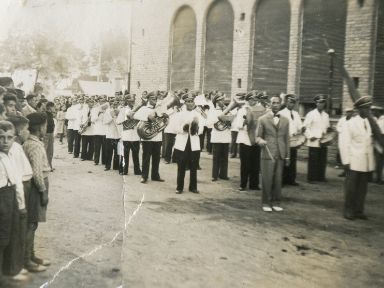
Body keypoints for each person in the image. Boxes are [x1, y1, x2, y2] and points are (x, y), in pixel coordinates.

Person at [0, 121, 28, 284]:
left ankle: (7, 272)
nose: (5, 141)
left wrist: (21, 205)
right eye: (1, 137)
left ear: (14, 138)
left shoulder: (11, 154)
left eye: (9, 138)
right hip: (2, 197)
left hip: (9, 199)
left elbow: (16, 180)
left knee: (9, 236)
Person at [339, 96, 375, 220]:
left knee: (362, 188)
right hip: (353, 161)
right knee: (351, 188)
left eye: (369, 108)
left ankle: (359, 210)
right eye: (367, 108)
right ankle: (348, 210)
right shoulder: (351, 123)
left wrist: (371, 163)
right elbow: (344, 143)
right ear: (360, 109)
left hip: (364, 162)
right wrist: (346, 161)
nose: (369, 111)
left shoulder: (369, 123)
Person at [23, 112, 51, 271]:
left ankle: (31, 255)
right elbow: (37, 173)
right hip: (35, 187)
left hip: (35, 185)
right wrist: (43, 191)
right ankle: (27, 260)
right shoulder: (34, 145)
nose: (45, 128)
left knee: (32, 223)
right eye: (45, 125)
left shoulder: (33, 142)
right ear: (40, 127)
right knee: (31, 223)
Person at [7, 116, 33, 279]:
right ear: (17, 131)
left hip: (24, 185)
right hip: (19, 188)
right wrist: (21, 202)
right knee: (16, 229)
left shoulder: (18, 146)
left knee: (20, 228)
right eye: (25, 129)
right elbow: (16, 176)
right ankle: (12, 267)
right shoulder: (14, 148)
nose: (27, 132)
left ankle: (16, 264)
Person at [256, 95, 290, 212]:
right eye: (273, 103)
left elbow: (287, 139)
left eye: (277, 103)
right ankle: (266, 202)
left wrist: (287, 155)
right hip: (267, 152)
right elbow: (257, 137)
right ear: (270, 104)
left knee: (278, 179)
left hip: (280, 153)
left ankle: (276, 202)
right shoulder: (262, 119)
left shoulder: (286, 120)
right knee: (267, 179)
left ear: (280, 104)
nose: (275, 105)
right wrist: (261, 141)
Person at [173, 92, 203, 194]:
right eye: (188, 102)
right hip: (182, 144)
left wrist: (196, 129)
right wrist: (183, 129)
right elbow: (175, 128)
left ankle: (193, 187)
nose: (190, 103)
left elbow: (202, 128)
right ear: (184, 103)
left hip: (194, 143)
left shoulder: (198, 114)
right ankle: (179, 187)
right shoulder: (180, 114)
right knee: (181, 166)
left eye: (192, 101)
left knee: (194, 166)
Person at [134, 91, 165, 183]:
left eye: (155, 99)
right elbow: (135, 116)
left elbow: (164, 119)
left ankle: (155, 175)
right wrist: (148, 117)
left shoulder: (160, 108)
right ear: (148, 99)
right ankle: (144, 176)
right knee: (146, 157)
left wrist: (163, 116)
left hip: (157, 137)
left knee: (156, 157)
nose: (154, 100)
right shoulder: (144, 108)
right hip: (147, 138)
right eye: (152, 99)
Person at [236, 91, 264, 191]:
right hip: (245, 139)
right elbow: (237, 125)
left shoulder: (259, 110)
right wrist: (244, 123)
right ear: (247, 100)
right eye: (251, 99)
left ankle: (254, 184)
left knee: (255, 163)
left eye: (255, 99)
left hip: (255, 138)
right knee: (245, 164)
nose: (253, 101)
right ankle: (243, 184)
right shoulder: (242, 110)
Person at [303, 94, 331, 183]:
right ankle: (311, 178)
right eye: (319, 102)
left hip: (323, 141)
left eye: (323, 102)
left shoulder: (326, 115)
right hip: (314, 140)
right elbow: (305, 127)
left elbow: (327, 127)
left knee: (322, 160)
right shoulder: (311, 114)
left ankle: (320, 177)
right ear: (316, 103)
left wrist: (328, 135)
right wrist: (310, 136)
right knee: (313, 160)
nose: (321, 104)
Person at [279, 94, 303, 185]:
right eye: (290, 102)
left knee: (293, 158)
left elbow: (299, 125)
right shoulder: (281, 113)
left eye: (293, 102)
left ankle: (291, 179)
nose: (291, 104)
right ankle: (283, 180)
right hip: (285, 139)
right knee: (285, 159)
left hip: (294, 140)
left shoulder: (296, 114)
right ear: (286, 102)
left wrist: (301, 129)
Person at [208, 92, 231, 181]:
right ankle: (215, 175)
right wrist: (219, 118)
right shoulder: (212, 110)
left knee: (225, 157)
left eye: (223, 100)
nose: (223, 102)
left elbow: (232, 122)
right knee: (216, 157)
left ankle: (223, 174)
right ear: (217, 101)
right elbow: (208, 123)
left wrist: (230, 121)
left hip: (225, 136)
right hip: (217, 137)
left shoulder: (227, 110)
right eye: (221, 100)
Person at [116, 94, 142, 175]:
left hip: (135, 135)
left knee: (136, 155)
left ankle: (137, 170)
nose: (133, 102)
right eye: (131, 101)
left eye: (133, 101)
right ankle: (124, 170)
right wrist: (126, 118)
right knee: (125, 155)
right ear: (127, 101)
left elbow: (141, 120)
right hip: (127, 135)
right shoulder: (123, 110)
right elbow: (118, 121)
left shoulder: (138, 109)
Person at [336, 107, 355, 177]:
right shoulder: (342, 120)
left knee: (349, 157)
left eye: (350, 112)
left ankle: (350, 172)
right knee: (343, 156)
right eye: (348, 112)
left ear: (352, 113)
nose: (349, 113)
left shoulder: (354, 121)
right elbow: (338, 127)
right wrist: (342, 130)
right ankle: (345, 171)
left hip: (350, 142)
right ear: (346, 113)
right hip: (342, 140)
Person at [103, 100, 120, 171]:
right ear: (111, 104)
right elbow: (105, 122)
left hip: (117, 134)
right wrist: (112, 117)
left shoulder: (119, 111)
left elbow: (120, 122)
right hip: (109, 135)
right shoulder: (107, 111)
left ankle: (116, 166)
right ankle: (107, 166)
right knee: (108, 151)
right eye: (113, 104)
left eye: (116, 104)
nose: (114, 105)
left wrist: (116, 115)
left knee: (117, 152)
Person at [91, 96, 107, 165]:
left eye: (103, 101)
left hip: (105, 131)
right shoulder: (94, 109)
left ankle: (104, 161)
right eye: (100, 101)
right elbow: (92, 120)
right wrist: (98, 113)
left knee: (104, 147)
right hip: (97, 130)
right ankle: (96, 161)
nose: (102, 103)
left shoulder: (107, 109)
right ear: (98, 101)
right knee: (97, 147)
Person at [371, 106, 384, 184]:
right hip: (376, 142)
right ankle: (377, 177)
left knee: (380, 161)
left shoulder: (383, 120)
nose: (372, 113)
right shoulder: (377, 119)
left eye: (374, 111)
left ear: (378, 111)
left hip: (381, 142)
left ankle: (380, 179)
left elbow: (382, 134)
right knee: (377, 161)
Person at [44, 102, 55, 171]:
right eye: (53, 107)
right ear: (50, 107)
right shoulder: (45, 114)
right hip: (46, 134)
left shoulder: (50, 114)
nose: (54, 108)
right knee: (45, 151)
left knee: (50, 151)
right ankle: (45, 166)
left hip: (51, 134)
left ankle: (49, 165)